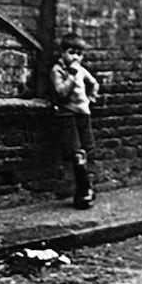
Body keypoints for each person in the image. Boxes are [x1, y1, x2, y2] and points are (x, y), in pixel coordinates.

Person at [50, 32, 99, 210]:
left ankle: (88, 187)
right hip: (67, 114)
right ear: (62, 52)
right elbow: (61, 91)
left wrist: (91, 98)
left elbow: (94, 83)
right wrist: (71, 75)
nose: (75, 57)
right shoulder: (58, 70)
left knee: (88, 149)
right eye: (71, 52)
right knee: (76, 152)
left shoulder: (81, 69)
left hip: (83, 113)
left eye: (79, 54)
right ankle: (83, 191)